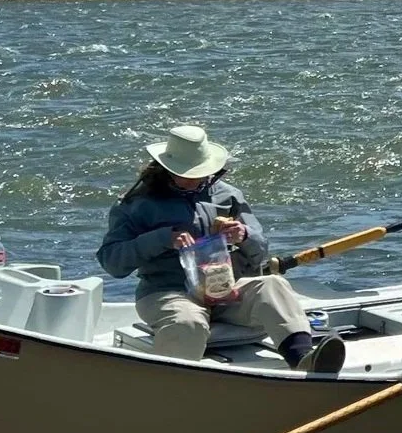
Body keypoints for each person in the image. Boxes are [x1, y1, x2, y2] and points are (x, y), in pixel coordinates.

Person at [98, 124, 343, 371]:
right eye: (188, 173)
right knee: (187, 322)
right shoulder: (136, 204)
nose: (196, 179)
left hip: (227, 290)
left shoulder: (229, 196)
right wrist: (163, 238)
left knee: (273, 285)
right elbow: (112, 262)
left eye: (201, 173)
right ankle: (174, 385)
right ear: (166, 170)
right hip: (167, 292)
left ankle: (304, 360)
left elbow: (259, 254)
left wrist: (243, 236)